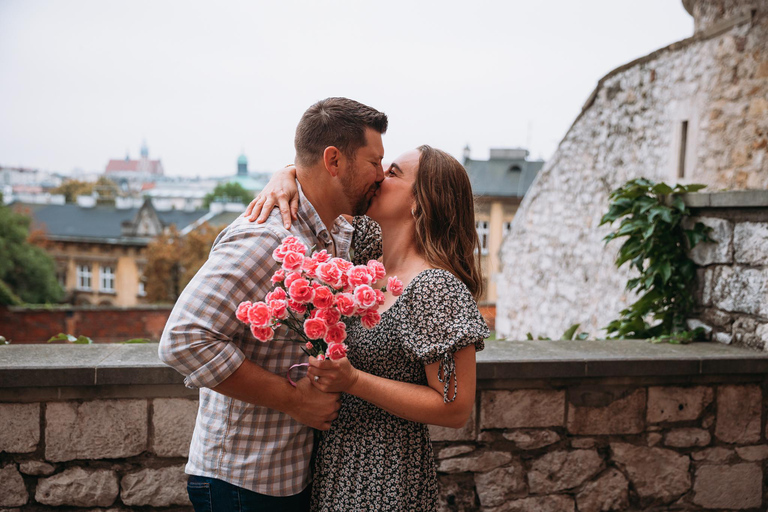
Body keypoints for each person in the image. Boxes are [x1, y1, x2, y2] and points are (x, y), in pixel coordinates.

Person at [158, 97, 389, 512]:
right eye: (375, 162)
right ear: (334, 161)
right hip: (242, 482)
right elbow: (182, 339)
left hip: (284, 476)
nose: (382, 175)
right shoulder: (265, 237)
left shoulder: (332, 230)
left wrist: (287, 172)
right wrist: (294, 400)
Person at [246, 145, 489, 511]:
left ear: (419, 203)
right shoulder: (364, 257)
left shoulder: (434, 288)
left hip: (387, 475)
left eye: (392, 174)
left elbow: (455, 408)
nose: (377, 177)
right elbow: (327, 180)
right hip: (333, 466)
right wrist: (286, 174)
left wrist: (354, 381)